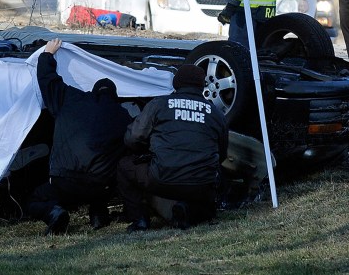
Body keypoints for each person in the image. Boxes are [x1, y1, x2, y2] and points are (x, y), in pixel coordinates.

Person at [28, 38, 133, 235]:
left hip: (64, 182)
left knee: (35, 199)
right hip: (100, 186)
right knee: (109, 167)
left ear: (93, 92)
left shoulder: (71, 99)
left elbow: (47, 80)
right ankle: (98, 214)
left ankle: (54, 212)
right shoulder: (123, 116)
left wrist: (47, 55)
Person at [117, 64, 228, 232]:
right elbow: (222, 152)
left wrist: (146, 150)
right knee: (208, 206)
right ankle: (187, 210)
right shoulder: (216, 113)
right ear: (202, 85)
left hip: (162, 177)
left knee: (124, 166)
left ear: (176, 83)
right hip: (201, 182)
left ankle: (139, 219)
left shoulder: (159, 104)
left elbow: (133, 138)